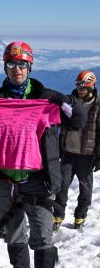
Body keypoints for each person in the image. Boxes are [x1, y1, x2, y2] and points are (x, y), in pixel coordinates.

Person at [0, 41, 86, 268]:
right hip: (3, 179)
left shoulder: (45, 100)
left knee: (42, 235)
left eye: (21, 64)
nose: (16, 69)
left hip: (39, 178)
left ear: (30, 67)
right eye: (11, 64)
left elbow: (77, 121)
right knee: (13, 233)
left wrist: (65, 102)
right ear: (5, 67)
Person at [53, 70, 100, 231]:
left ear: (91, 87)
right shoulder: (69, 102)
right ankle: (58, 215)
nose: (80, 89)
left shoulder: (98, 105)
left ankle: (80, 216)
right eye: (79, 86)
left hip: (87, 154)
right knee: (61, 186)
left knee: (85, 188)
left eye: (84, 87)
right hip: (67, 151)